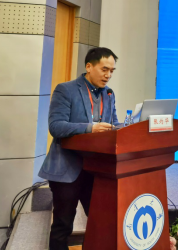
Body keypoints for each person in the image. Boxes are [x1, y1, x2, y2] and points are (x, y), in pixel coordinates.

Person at [39, 47, 119, 250]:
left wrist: (129, 127)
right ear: (89, 66)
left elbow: (113, 125)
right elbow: (56, 126)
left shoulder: (109, 94)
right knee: (63, 225)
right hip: (67, 169)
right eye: (104, 69)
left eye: (111, 71)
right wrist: (90, 128)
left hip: (96, 169)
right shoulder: (66, 90)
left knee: (99, 222)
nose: (108, 75)